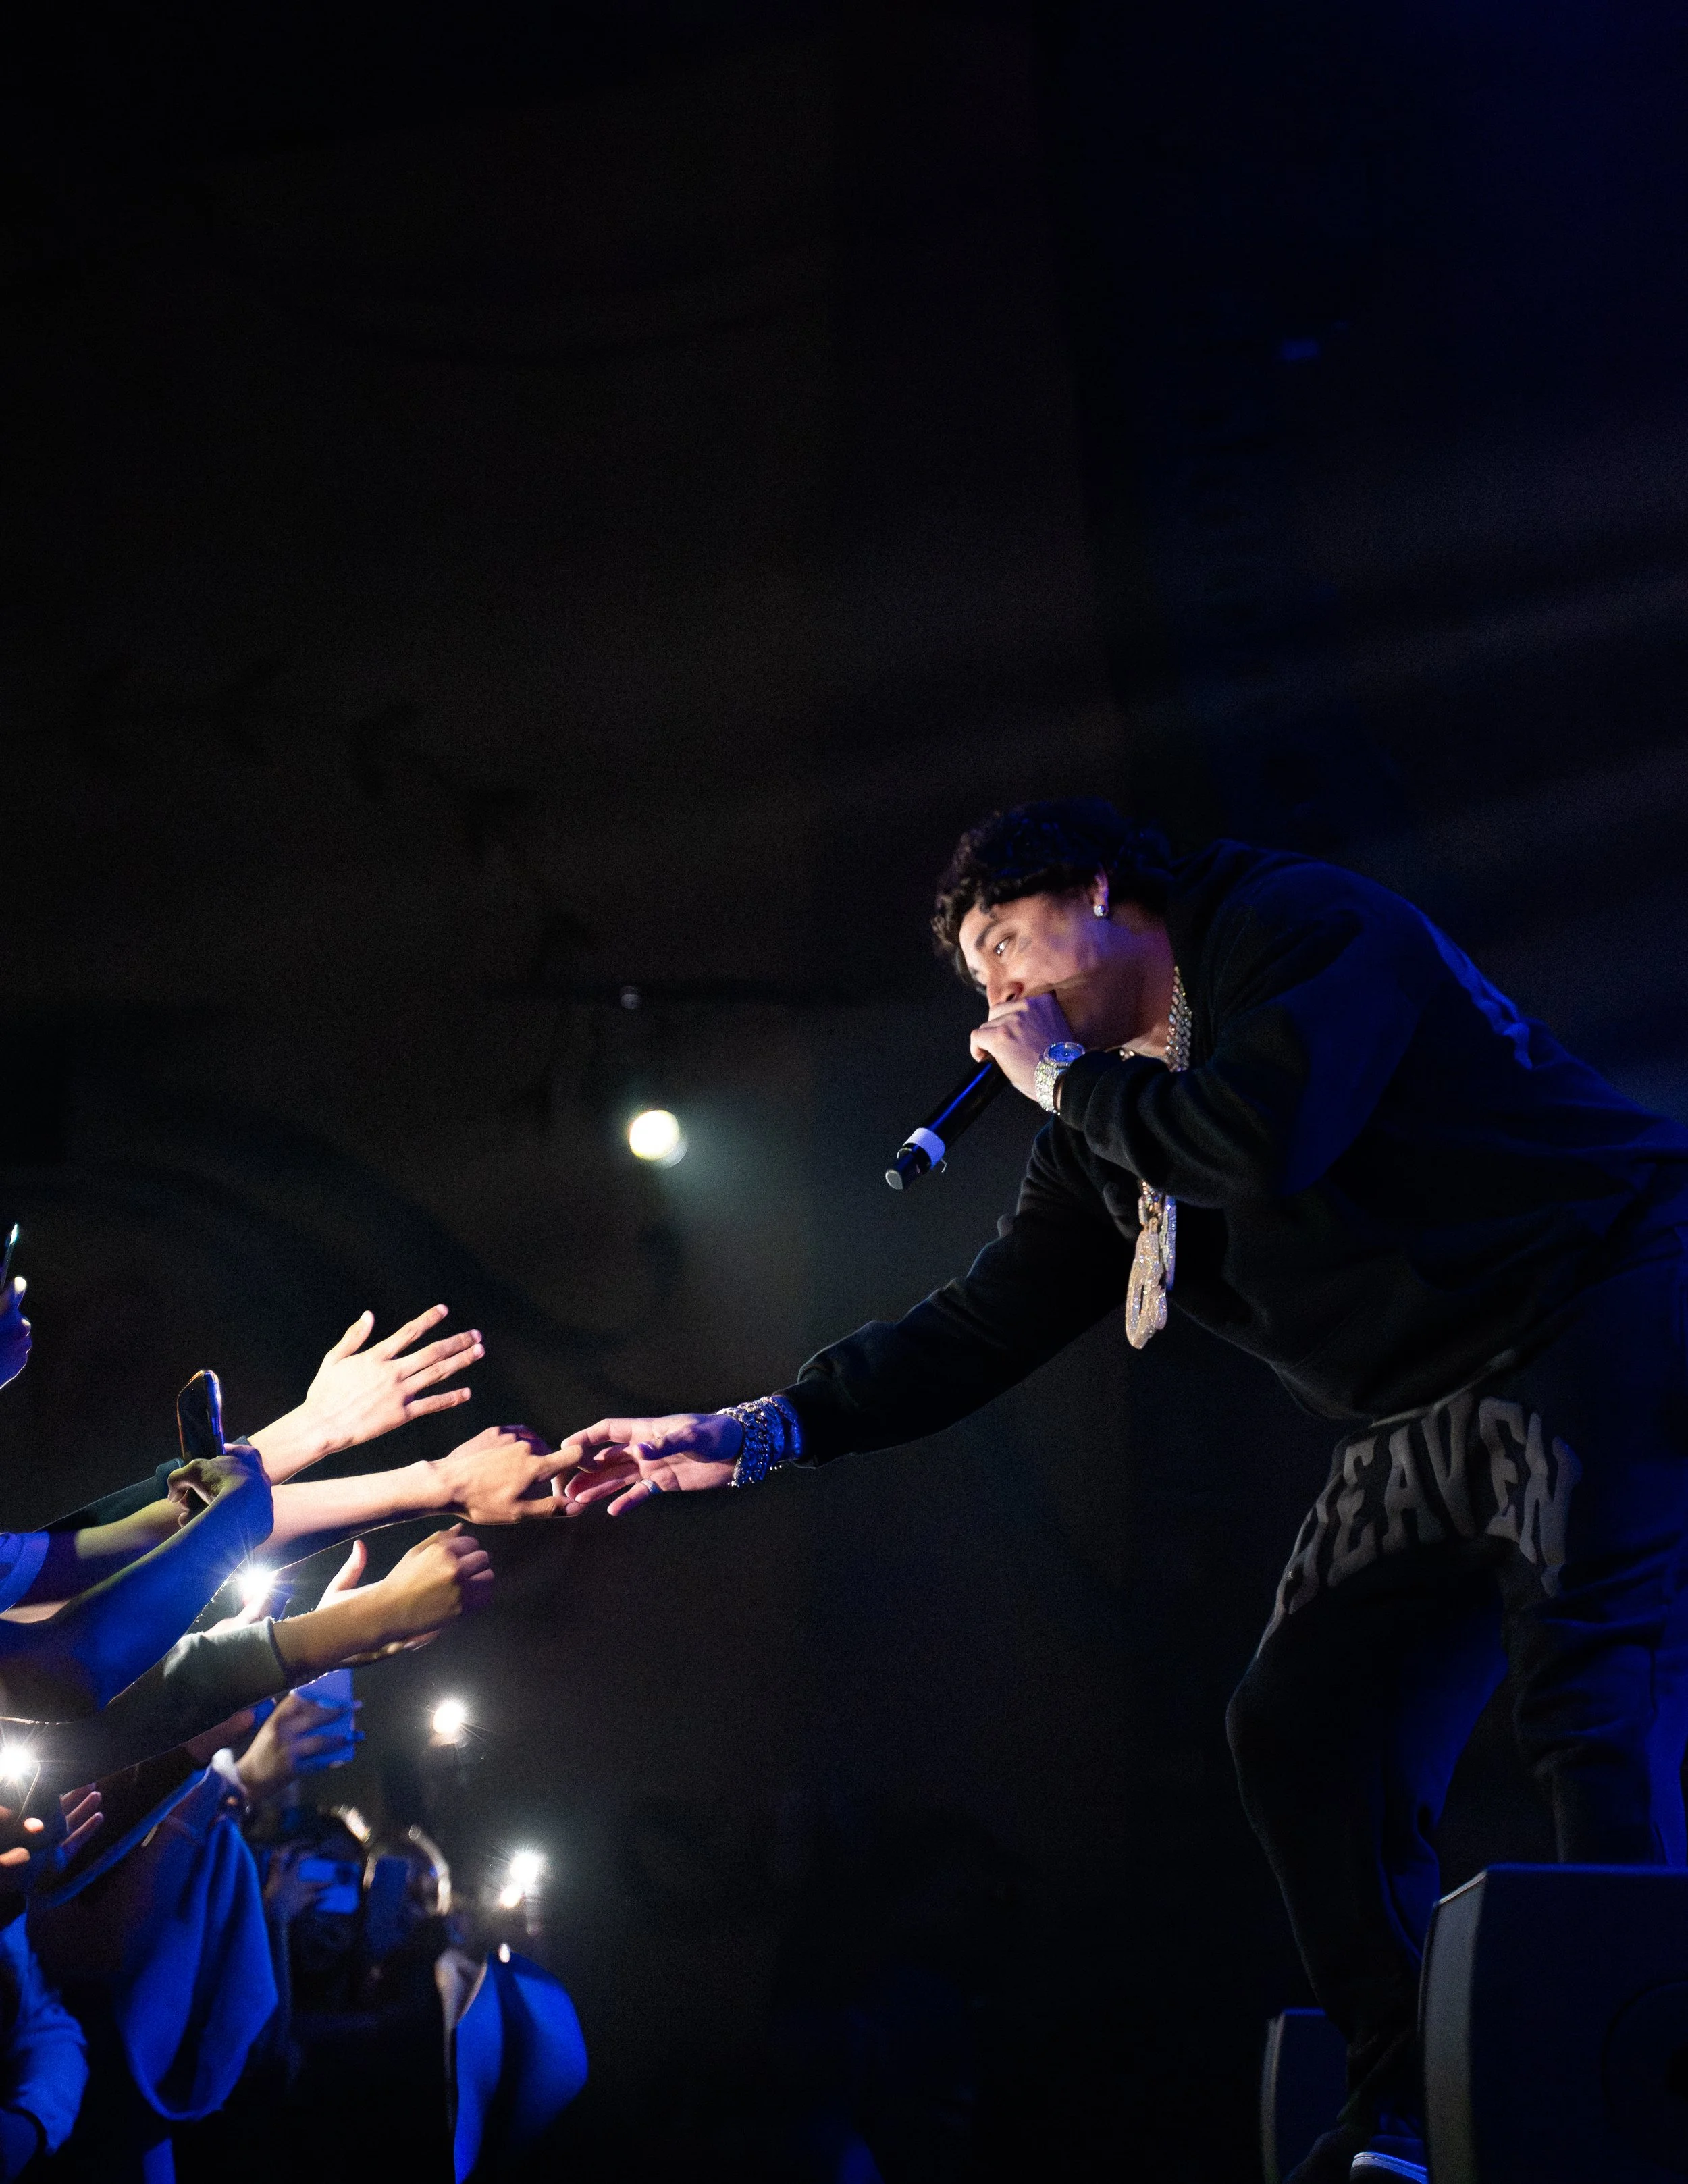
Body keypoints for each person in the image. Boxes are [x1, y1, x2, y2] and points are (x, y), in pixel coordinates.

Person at [557, 797, 1688, 2184]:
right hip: (1423, 1407)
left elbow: (1261, 1138)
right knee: (1297, 1722)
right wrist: (752, 1431)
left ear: (1096, 889)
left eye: (1003, 940)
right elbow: (983, 1324)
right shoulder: (1099, 1121)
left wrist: (1058, 1087)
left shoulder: (1296, 928)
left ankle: (1628, 2094)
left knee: (1589, 1689)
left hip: (1598, 1301)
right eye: (975, 974)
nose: (993, 993)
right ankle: (1402, 2108)